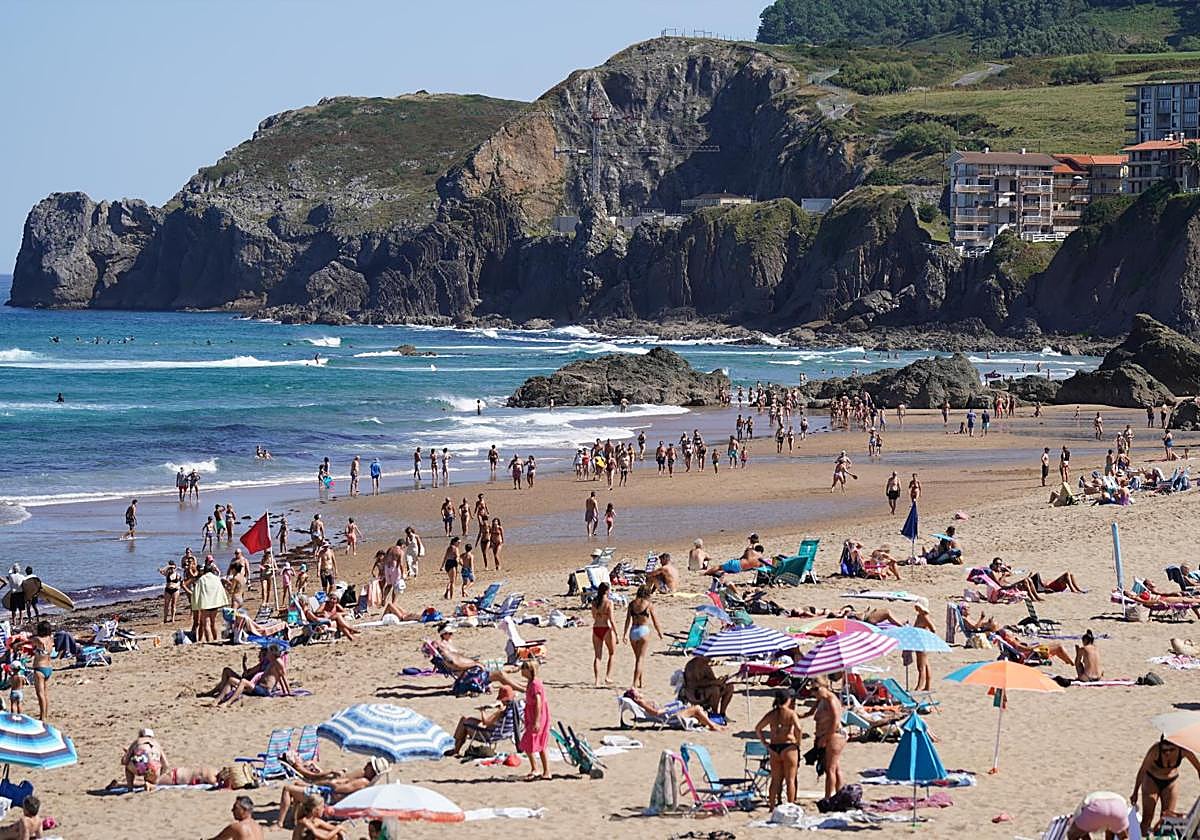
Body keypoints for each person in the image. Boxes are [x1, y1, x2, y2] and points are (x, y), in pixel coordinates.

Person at [494, 661, 552, 781]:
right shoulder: (531, 682)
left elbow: (539, 703)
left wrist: (537, 721)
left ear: (530, 670)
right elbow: (522, 687)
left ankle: (541, 770)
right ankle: (539, 770)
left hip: (538, 716)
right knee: (536, 743)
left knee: (531, 742)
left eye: (524, 668)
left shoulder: (535, 684)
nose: (522, 670)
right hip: (532, 716)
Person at [1132, 738, 1200, 835]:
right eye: (1164, 750)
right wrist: (1135, 792)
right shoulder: (1155, 750)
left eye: (1171, 750)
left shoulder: (1183, 750)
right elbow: (1142, 770)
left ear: (1177, 746)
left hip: (1170, 783)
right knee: (1147, 817)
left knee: (1167, 819)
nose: (1167, 753)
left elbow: (1198, 767)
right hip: (1152, 780)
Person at [755, 689, 805, 809]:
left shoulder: (772, 714)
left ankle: (772, 806)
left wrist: (765, 743)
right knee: (790, 780)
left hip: (774, 747)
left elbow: (758, 728)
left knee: (775, 780)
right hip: (788, 746)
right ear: (788, 700)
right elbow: (798, 729)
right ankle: (790, 806)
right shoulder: (791, 713)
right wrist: (798, 742)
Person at [447, 685, 517, 756]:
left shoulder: (502, 711)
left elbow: (485, 722)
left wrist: (482, 710)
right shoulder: (515, 708)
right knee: (467, 720)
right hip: (504, 733)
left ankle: (456, 750)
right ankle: (455, 748)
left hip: (489, 734)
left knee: (464, 721)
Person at [807, 676, 846, 799]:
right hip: (825, 735)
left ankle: (828, 798)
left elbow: (835, 721)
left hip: (834, 735)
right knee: (835, 767)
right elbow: (809, 713)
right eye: (812, 690)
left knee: (830, 769)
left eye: (816, 689)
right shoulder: (821, 700)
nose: (814, 692)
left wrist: (825, 738)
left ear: (824, 687)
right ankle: (839, 795)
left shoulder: (831, 700)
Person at [623, 688, 724, 731]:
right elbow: (656, 713)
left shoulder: (642, 702)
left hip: (670, 715)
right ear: (635, 698)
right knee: (697, 709)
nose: (638, 690)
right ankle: (713, 726)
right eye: (636, 691)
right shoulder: (642, 703)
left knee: (698, 710)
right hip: (671, 717)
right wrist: (667, 709)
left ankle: (713, 725)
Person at [622, 585, 662, 689]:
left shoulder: (632, 604)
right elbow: (655, 621)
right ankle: (635, 683)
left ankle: (640, 682)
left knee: (638, 658)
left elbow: (627, 620)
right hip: (643, 630)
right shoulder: (648, 604)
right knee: (640, 659)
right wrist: (659, 632)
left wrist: (625, 634)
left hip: (633, 631)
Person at [590, 582, 618, 686]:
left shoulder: (594, 602)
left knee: (597, 656)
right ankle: (607, 677)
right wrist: (616, 633)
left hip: (596, 628)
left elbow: (594, 616)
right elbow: (612, 619)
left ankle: (597, 680)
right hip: (606, 628)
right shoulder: (609, 602)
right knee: (611, 653)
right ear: (607, 591)